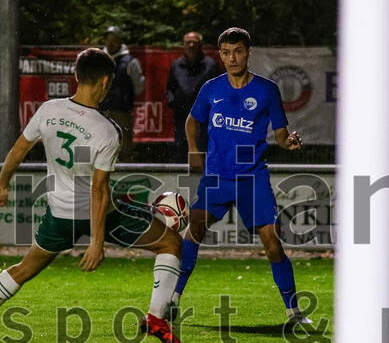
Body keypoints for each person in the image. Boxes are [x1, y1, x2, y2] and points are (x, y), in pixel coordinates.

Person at [0, 48, 182, 343]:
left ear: (76, 76)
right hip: (99, 216)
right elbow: (97, 190)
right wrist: (97, 242)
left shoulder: (49, 110)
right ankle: (155, 318)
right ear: (105, 82)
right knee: (170, 242)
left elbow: (19, 149)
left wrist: (2, 183)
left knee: (24, 269)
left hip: (59, 216)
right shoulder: (107, 130)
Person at [169, 27, 310, 325]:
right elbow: (192, 121)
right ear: (220, 55)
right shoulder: (211, 88)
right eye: (226, 53)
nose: (232, 58)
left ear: (248, 53)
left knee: (272, 242)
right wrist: (194, 149)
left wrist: (289, 141)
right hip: (217, 177)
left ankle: (294, 312)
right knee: (194, 230)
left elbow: (281, 134)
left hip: (252, 178)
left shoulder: (267, 89)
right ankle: (172, 299)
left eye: (238, 51)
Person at [166, 31, 220, 162]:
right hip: (181, 115)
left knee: (203, 146)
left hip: (204, 116)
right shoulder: (176, 65)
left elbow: (218, 90)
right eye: (188, 43)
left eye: (194, 43)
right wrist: (173, 102)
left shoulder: (211, 65)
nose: (191, 45)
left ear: (201, 45)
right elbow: (170, 88)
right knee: (182, 146)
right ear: (184, 45)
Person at [99, 26, 146, 163]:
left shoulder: (131, 62)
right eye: (108, 40)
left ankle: (125, 180)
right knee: (101, 150)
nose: (111, 43)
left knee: (124, 150)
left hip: (122, 113)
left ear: (121, 41)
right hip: (100, 112)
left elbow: (139, 86)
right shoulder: (99, 60)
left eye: (114, 40)